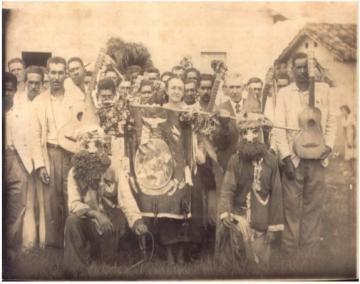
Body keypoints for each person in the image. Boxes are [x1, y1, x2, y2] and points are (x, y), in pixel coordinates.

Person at [272, 52, 337, 255]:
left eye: (306, 67)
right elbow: (278, 127)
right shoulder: (284, 93)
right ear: (292, 70)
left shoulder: (324, 90)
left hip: (318, 157)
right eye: (298, 67)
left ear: (313, 69)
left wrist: (329, 146)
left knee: (313, 205)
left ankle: (309, 251)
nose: (302, 71)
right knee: (291, 207)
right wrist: (285, 157)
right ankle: (291, 251)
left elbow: (331, 121)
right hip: (295, 158)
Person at [64, 125, 147, 275]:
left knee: (108, 262)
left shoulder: (114, 166)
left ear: (103, 146)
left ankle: (106, 261)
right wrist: (96, 214)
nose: (93, 151)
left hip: (111, 219)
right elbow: (74, 203)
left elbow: (125, 197)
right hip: (89, 220)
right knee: (72, 221)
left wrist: (137, 221)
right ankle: (77, 268)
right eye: (86, 146)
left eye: (97, 145)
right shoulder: (74, 172)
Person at [31, 56, 85, 249]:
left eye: (60, 72)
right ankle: (54, 247)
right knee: (52, 203)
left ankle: (74, 245)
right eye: (52, 72)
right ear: (47, 73)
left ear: (66, 74)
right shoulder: (39, 102)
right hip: (51, 154)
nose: (56, 77)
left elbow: (83, 126)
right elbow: (35, 135)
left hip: (72, 154)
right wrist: (40, 165)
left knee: (73, 198)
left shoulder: (76, 98)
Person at [216, 114, 283, 266]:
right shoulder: (235, 160)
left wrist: (273, 228)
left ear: (260, 134)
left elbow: (277, 195)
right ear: (241, 136)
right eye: (245, 133)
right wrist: (225, 213)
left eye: (254, 132)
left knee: (259, 264)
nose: (250, 137)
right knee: (235, 260)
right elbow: (227, 189)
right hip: (238, 217)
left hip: (262, 222)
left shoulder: (271, 161)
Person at [15, 66, 47, 250]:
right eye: (31, 83)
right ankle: (28, 243)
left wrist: (41, 162)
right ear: (25, 83)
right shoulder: (18, 104)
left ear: (42, 84)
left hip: (43, 159)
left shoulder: (44, 103)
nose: (34, 86)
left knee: (43, 205)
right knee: (28, 204)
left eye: (37, 83)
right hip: (24, 161)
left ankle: (44, 244)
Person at [340, 105, 356, 175]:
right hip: (347, 138)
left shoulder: (351, 117)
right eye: (342, 111)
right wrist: (346, 140)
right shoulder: (343, 119)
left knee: (354, 155)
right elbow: (344, 130)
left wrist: (353, 140)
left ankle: (355, 172)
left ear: (347, 110)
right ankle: (351, 171)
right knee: (348, 156)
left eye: (343, 110)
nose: (342, 112)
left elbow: (356, 129)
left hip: (353, 137)